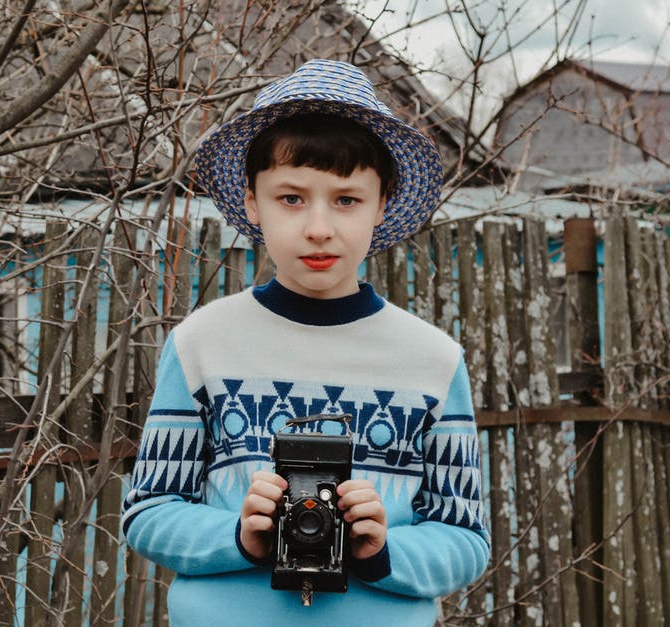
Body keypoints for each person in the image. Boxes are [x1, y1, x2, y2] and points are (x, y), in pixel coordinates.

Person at [121, 59, 490, 625]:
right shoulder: (201, 344)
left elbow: (466, 538)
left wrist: (382, 550)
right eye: (291, 198)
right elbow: (147, 513)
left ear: (382, 205)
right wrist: (239, 536)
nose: (319, 226)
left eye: (346, 199)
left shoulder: (435, 360)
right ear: (251, 202)